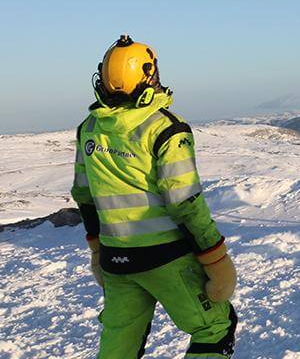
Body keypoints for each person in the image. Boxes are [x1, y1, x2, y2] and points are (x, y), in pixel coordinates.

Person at [71, 35, 237, 358]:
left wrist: (96, 252)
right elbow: (185, 203)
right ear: (148, 76)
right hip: (166, 259)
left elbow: (84, 196)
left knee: (119, 345)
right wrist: (217, 260)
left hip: (115, 261)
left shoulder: (89, 129)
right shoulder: (165, 130)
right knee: (215, 328)